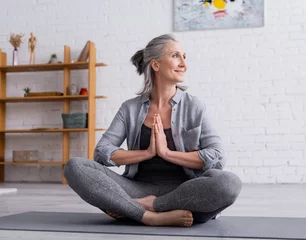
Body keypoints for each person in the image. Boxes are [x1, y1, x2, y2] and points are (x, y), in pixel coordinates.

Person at [64, 33, 242, 227]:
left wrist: (166, 153)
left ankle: (145, 208)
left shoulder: (195, 106)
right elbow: (101, 152)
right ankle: (149, 216)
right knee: (75, 166)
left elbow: (217, 157)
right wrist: (147, 153)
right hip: (137, 189)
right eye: (176, 56)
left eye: (184, 56)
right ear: (156, 65)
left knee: (228, 183)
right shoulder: (129, 108)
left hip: (186, 192)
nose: (184, 63)